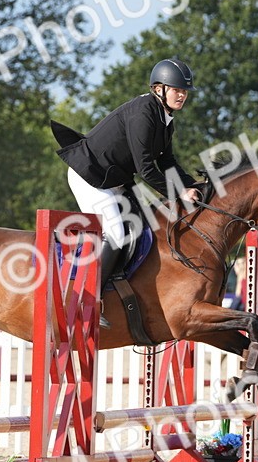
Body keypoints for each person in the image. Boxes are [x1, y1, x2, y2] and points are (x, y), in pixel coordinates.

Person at [52, 57, 202, 327]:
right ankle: (88, 300)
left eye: (184, 91)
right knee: (117, 233)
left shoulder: (165, 119)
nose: (182, 95)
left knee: (145, 226)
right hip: (90, 177)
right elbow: (146, 169)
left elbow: (167, 162)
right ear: (159, 89)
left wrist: (195, 185)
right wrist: (179, 194)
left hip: (114, 179)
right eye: (176, 90)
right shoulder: (144, 113)